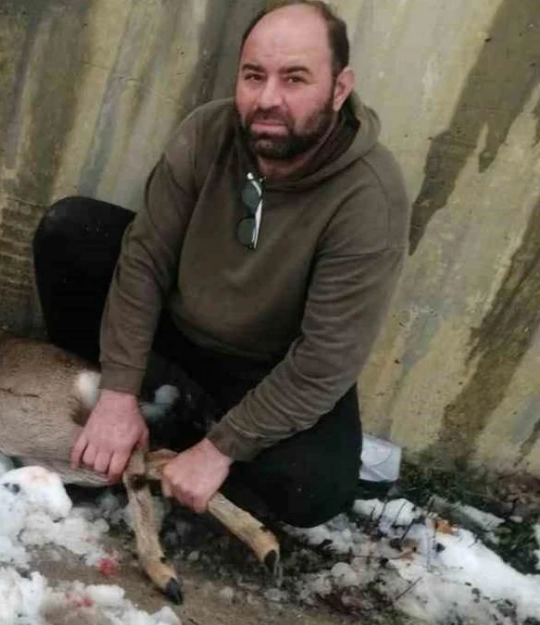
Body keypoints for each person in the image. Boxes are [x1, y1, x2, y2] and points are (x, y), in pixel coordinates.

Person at [33, 1, 410, 528]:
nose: (268, 99)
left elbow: (326, 360)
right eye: (253, 76)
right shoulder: (207, 132)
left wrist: (221, 448)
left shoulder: (370, 197)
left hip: (267, 367)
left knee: (315, 489)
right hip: (183, 318)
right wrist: (117, 393)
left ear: (339, 88)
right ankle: (106, 404)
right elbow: (144, 260)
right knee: (69, 232)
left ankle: (193, 438)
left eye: (295, 78)